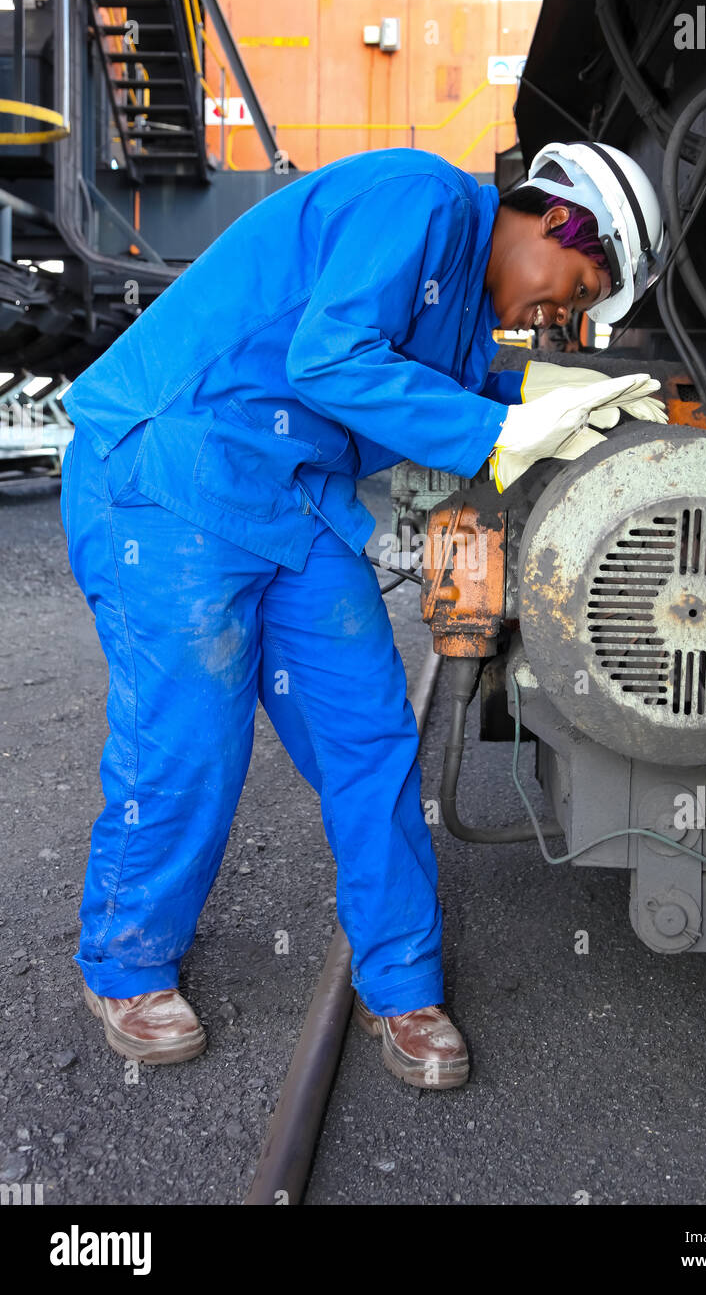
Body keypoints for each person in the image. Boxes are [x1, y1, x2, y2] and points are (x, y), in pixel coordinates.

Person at [59, 139, 665, 1087]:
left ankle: (405, 983)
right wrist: (500, 428)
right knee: (192, 738)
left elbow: (463, 381)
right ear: (558, 218)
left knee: (373, 738)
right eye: (582, 290)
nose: (565, 320)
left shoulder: (466, 306)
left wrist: (576, 400)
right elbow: (332, 359)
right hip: (167, 472)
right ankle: (127, 964)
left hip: (292, 502)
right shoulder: (417, 197)